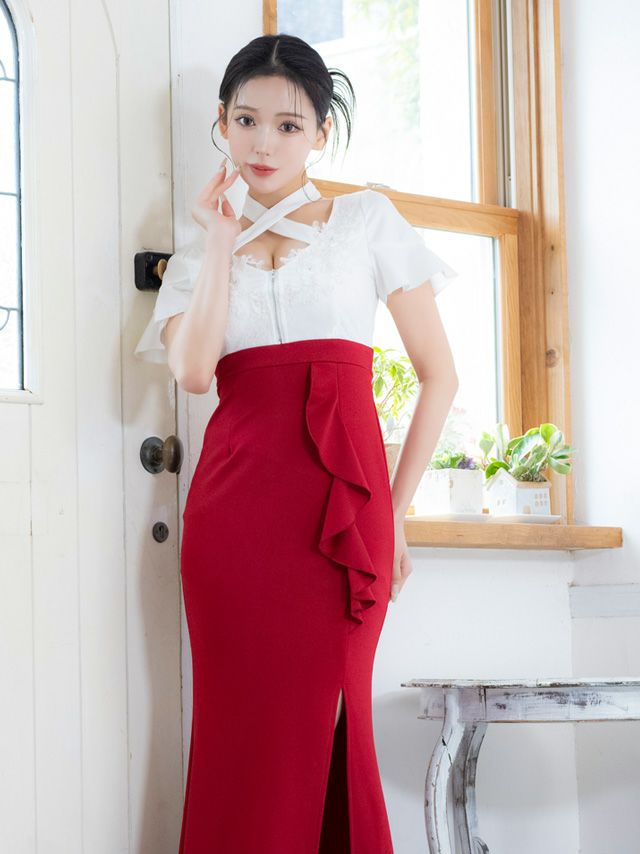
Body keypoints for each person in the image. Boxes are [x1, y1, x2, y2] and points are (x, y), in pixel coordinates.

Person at [135, 32, 459, 854]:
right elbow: (195, 373)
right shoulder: (201, 249)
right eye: (246, 121)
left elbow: (440, 376)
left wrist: (393, 515)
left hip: (343, 522)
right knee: (240, 733)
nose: (264, 143)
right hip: (233, 523)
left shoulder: (366, 221)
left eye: (288, 125)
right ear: (222, 123)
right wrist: (217, 242)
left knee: (333, 724)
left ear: (321, 132)